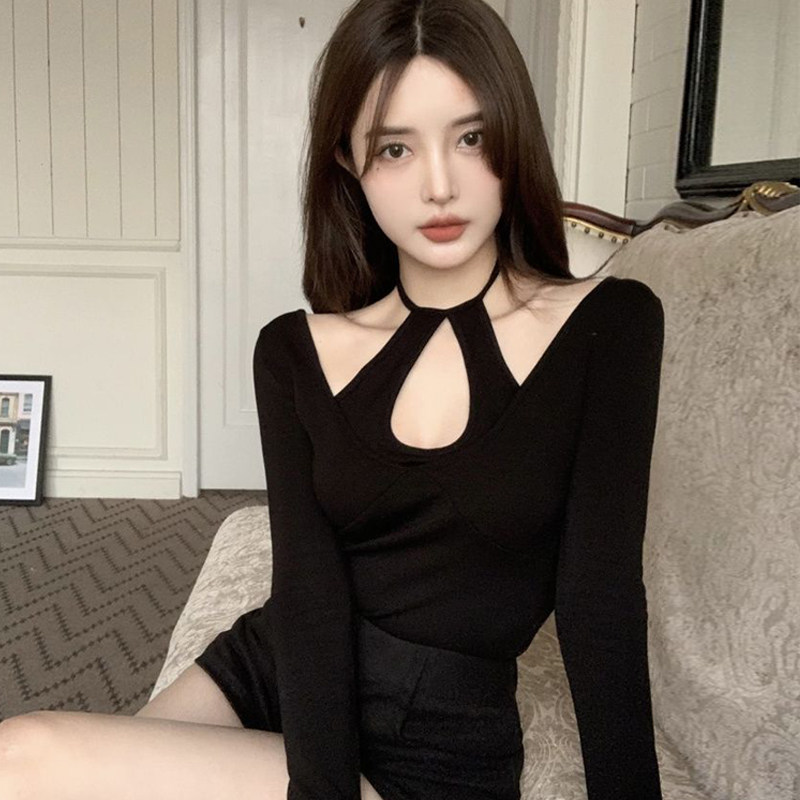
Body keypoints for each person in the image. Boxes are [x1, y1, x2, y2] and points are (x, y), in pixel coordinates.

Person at [0, 1, 664, 799]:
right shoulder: (295, 350)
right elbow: (308, 593)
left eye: (471, 138)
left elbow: (599, 603)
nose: (440, 185)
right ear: (348, 161)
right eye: (395, 148)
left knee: (22, 757)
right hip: (277, 670)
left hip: (439, 740)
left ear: (513, 137)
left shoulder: (610, 326)